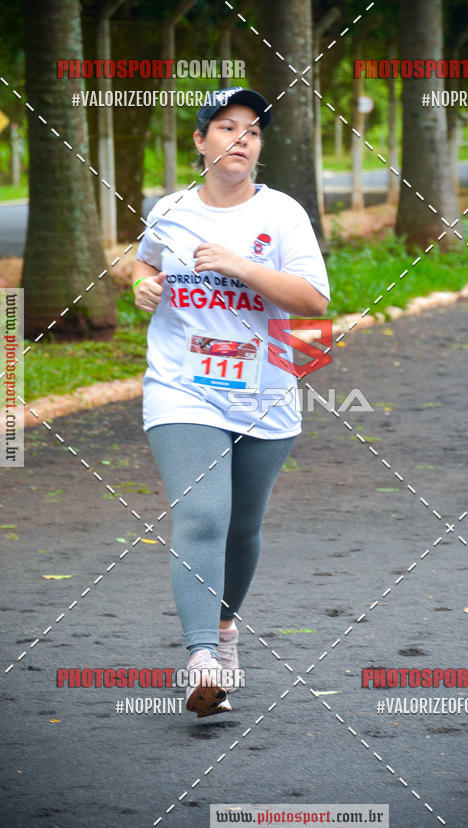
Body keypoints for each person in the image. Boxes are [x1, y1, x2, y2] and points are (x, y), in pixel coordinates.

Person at [132, 87, 330, 718]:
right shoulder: (172, 209)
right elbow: (135, 264)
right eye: (226, 127)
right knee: (203, 517)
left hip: (266, 394)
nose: (240, 139)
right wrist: (141, 283)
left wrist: (242, 266)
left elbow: (313, 301)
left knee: (242, 528)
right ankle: (198, 660)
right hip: (182, 387)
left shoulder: (284, 215)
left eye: (251, 130)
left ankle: (222, 631)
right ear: (200, 141)